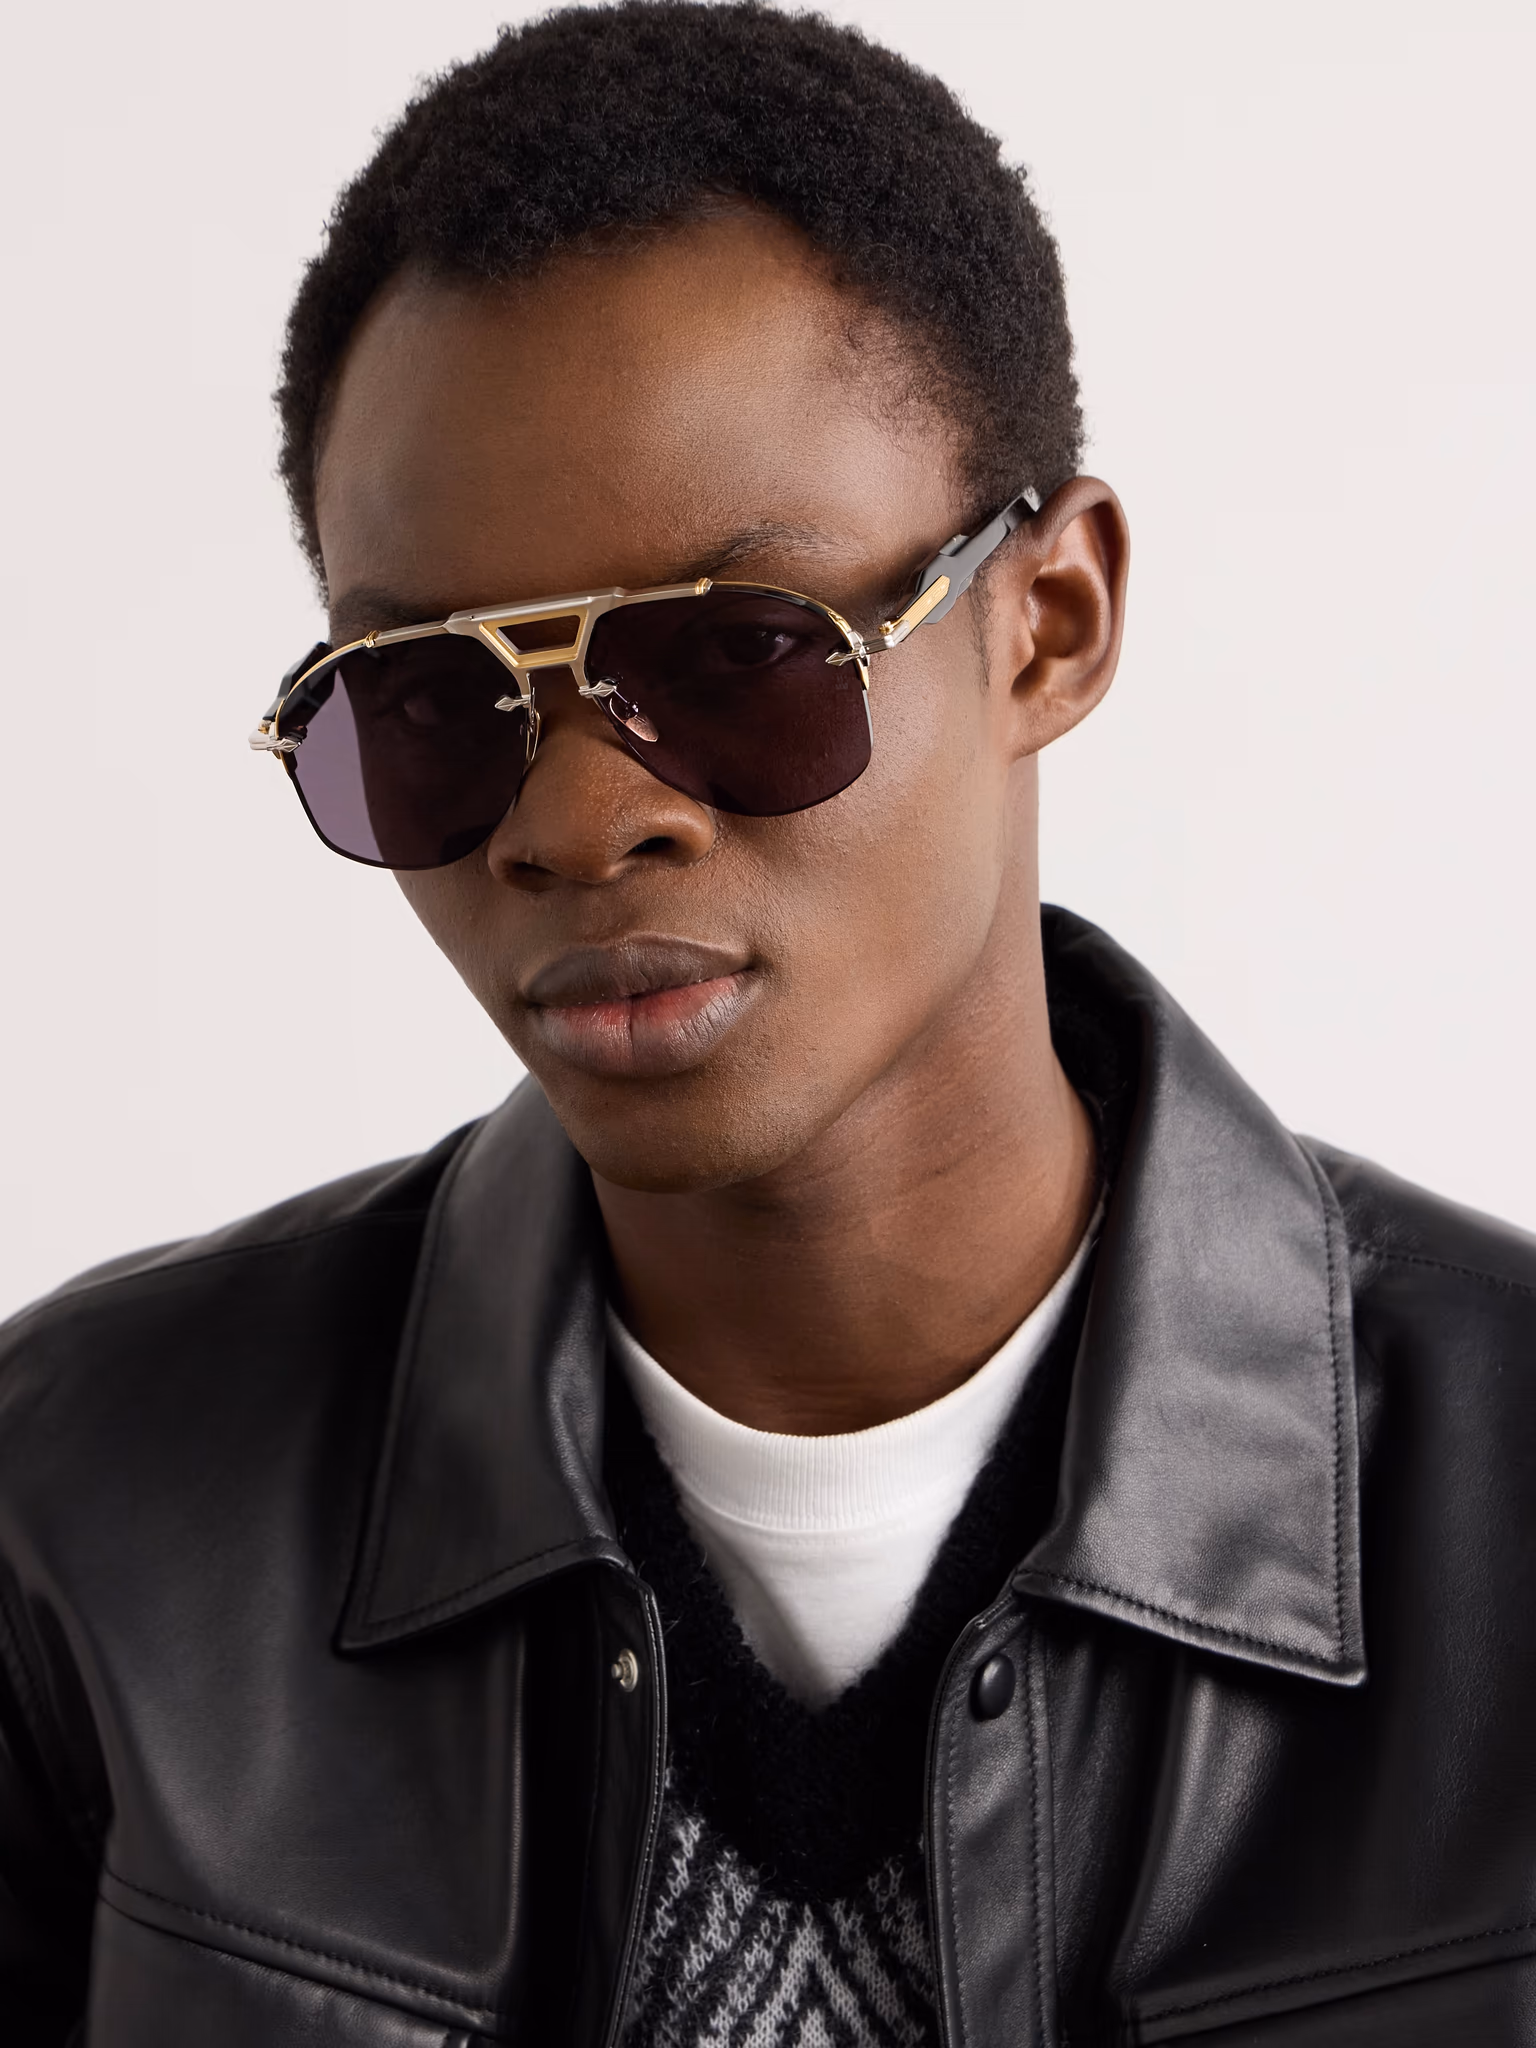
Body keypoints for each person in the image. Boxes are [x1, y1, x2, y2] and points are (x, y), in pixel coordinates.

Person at [2, 5, 1533, 2043]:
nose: (576, 822)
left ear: (1051, 621)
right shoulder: (85, 1510)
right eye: (432, 705)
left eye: (738, 658)